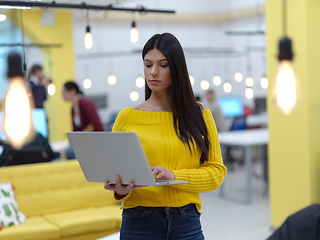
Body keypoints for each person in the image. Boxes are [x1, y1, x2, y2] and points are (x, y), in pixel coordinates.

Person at [104, 33, 227, 240]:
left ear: (176, 68)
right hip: (139, 220)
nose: (153, 72)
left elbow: (216, 173)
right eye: (148, 64)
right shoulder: (127, 117)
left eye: (163, 65)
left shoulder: (199, 115)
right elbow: (117, 179)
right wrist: (120, 190)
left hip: (186, 220)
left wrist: (175, 176)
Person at [62, 81, 104, 159]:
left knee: (70, 152)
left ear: (73, 92)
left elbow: (93, 124)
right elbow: (75, 129)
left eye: (64, 92)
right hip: (85, 140)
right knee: (68, 151)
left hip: (95, 139)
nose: (62, 95)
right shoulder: (73, 108)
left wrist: (78, 138)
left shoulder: (85, 103)